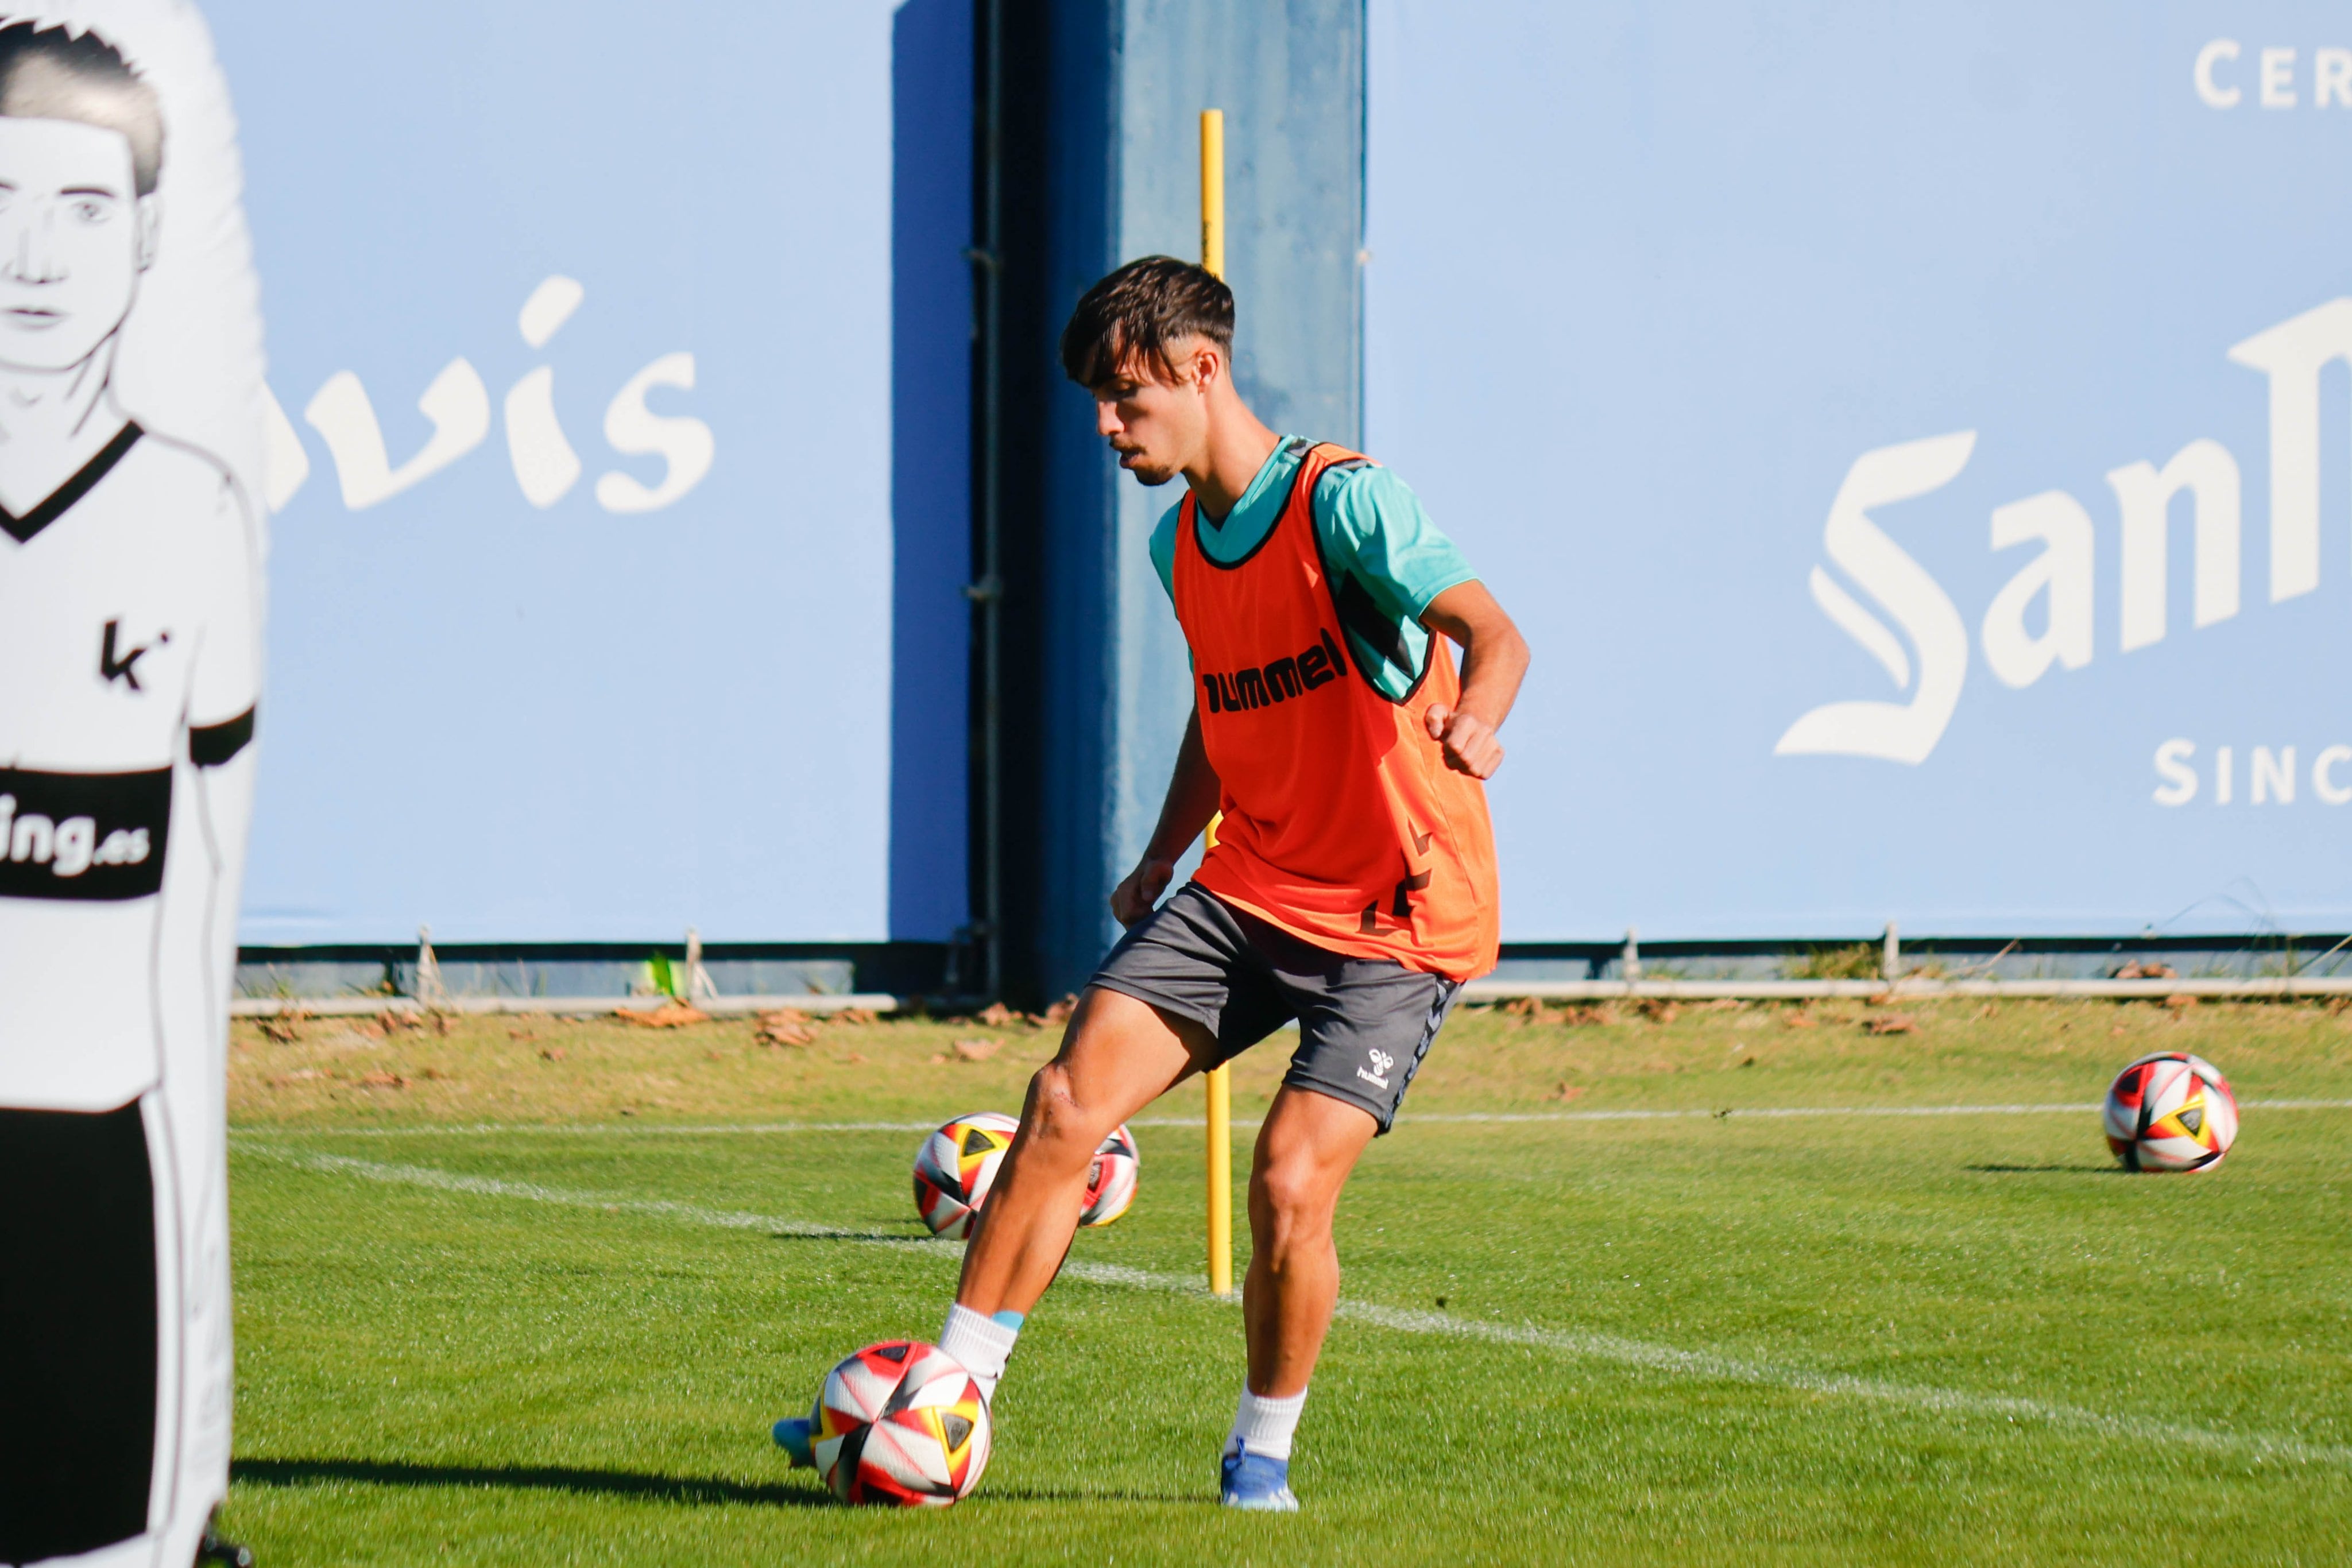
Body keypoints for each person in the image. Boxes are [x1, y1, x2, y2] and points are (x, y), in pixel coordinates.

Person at [778, 255, 1527, 1509]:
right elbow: (1222, 707)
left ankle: (1260, 1457)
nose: (1105, 425)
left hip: (1394, 916)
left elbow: (1493, 635)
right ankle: (950, 1395)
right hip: (1249, 886)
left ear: (1201, 369)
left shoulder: (1344, 504)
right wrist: (1165, 851)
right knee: (1064, 1100)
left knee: (1287, 1183)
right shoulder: (1178, 541)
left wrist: (1481, 719)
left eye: (1124, 397)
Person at [0, 20, 260, 1567]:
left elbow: (200, 868)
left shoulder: (186, 510)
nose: (36, 254)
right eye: (2, 202)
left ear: (148, 236)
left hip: (92, 1149)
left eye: (83, 207)